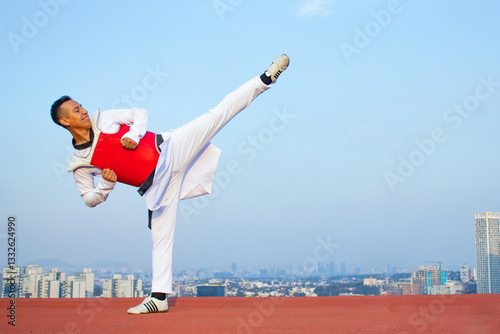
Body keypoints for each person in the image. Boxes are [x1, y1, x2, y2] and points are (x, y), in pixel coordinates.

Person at [50, 54, 289, 314]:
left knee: (217, 114)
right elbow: (88, 199)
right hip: (157, 187)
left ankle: (264, 79)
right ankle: (159, 298)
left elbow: (139, 113)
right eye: (76, 110)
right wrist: (106, 186)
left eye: (81, 106)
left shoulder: (104, 119)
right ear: (65, 122)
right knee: (160, 239)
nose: (83, 110)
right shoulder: (80, 163)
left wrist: (133, 132)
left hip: (169, 147)